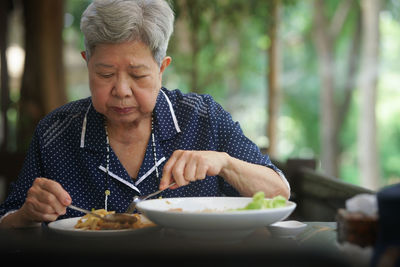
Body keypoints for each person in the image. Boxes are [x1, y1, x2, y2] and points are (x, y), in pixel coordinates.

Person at [0, 0, 290, 228]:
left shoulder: (203, 119)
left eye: (138, 75)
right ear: (87, 63)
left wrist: (225, 163)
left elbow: (279, 192)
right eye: (105, 74)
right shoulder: (57, 131)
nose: (122, 90)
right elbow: (9, 217)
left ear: (162, 68)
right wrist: (28, 213)